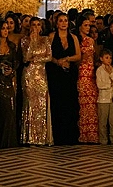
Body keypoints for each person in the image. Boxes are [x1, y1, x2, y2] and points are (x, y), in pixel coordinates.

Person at [47, 12, 81, 144]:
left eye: (65, 20)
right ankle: (58, 136)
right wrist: (58, 62)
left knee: (70, 103)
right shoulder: (51, 37)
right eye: (60, 21)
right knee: (57, 103)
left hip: (70, 74)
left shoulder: (74, 38)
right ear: (56, 23)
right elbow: (47, 55)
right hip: (55, 74)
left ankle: (71, 136)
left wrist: (67, 59)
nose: (63, 23)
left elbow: (78, 55)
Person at [21, 16, 53, 146]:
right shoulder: (24, 40)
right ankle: (29, 137)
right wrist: (32, 42)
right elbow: (26, 58)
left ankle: (42, 137)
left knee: (42, 103)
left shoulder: (45, 40)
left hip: (41, 74)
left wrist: (37, 59)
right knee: (30, 103)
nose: (35, 27)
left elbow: (49, 56)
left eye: (38, 24)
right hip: (29, 75)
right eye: (33, 24)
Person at [0, 19, 18, 148]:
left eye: (7, 28)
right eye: (3, 28)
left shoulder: (12, 46)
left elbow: (16, 62)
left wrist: (11, 71)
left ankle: (9, 143)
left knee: (10, 111)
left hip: (9, 81)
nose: (6, 31)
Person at [77, 16, 99, 144]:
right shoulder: (76, 39)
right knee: (83, 103)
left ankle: (92, 135)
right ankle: (82, 135)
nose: (88, 28)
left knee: (92, 103)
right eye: (85, 25)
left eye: (89, 25)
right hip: (81, 72)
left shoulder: (91, 40)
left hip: (91, 73)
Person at [96, 49, 113, 145]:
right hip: (103, 99)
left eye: (110, 58)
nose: (109, 60)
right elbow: (100, 85)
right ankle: (103, 140)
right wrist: (110, 84)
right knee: (103, 121)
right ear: (101, 59)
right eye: (106, 58)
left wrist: (110, 73)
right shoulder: (99, 70)